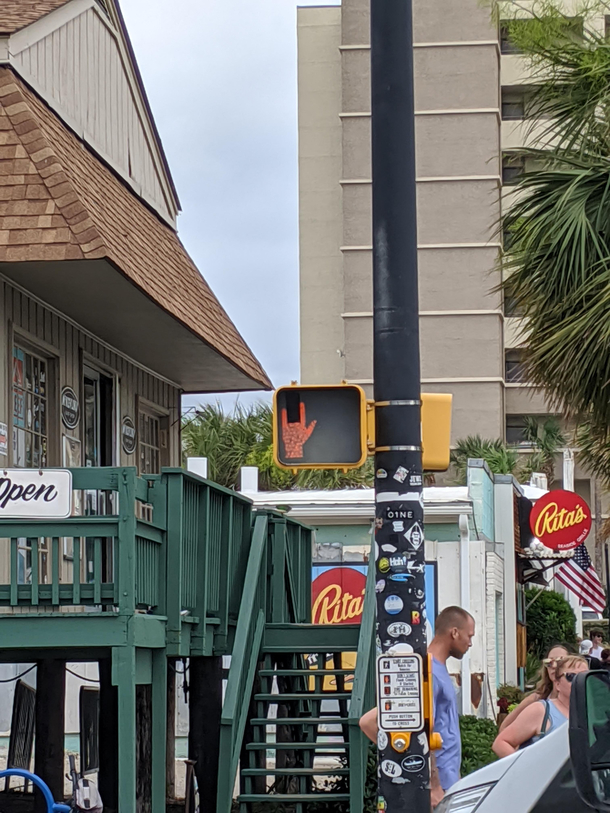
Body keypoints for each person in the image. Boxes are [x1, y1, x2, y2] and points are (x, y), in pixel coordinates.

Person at [359, 605, 475, 809]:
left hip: (447, 784)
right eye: (469, 636)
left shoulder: (435, 669)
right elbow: (370, 722)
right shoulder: (427, 672)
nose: (470, 643)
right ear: (454, 633)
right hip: (436, 790)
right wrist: (433, 783)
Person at [492, 655, 588, 757]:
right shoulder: (541, 710)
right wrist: (526, 769)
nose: (579, 682)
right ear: (557, 684)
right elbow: (501, 743)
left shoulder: (593, 713)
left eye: (584, 677)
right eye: (571, 677)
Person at [498, 644, 569, 732]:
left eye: (560, 661)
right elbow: (505, 728)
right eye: (549, 663)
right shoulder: (536, 699)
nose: (554, 666)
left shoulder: (583, 699)